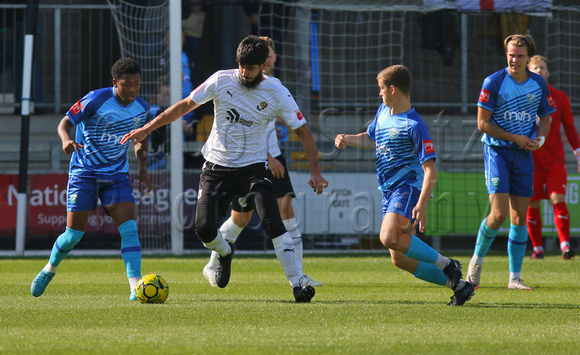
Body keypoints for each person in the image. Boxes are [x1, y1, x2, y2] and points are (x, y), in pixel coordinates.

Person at [121, 35, 329, 303]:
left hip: (254, 169)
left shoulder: (276, 90)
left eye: (250, 68)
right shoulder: (221, 79)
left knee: (273, 222)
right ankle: (225, 251)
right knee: (204, 229)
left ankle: (297, 284)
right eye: (241, 65)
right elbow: (185, 106)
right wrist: (146, 129)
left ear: (262, 66)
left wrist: (315, 172)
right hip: (216, 168)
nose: (244, 72)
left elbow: (303, 132)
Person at [334, 65, 474, 306]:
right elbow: (370, 139)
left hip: (408, 187)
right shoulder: (383, 112)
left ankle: (448, 264)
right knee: (398, 259)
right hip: (388, 191)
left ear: (392, 89)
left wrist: (422, 204)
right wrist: (347, 138)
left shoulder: (414, 125)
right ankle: (459, 286)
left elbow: (430, 170)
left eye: (381, 89)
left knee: (388, 236)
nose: (379, 94)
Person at [201, 36, 322, 288]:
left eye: (268, 56)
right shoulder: (234, 83)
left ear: (272, 58)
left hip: (267, 157)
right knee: (241, 219)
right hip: (252, 161)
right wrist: (269, 158)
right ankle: (215, 261)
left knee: (283, 210)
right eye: (259, 58)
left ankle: (298, 276)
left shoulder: (275, 88)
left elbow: (293, 126)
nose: (264, 62)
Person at [30, 58, 152, 300]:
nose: (132, 90)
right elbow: (65, 122)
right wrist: (66, 140)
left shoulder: (142, 108)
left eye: (137, 84)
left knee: (129, 230)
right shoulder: (96, 99)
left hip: (116, 175)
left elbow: (141, 137)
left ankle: (135, 287)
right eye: (127, 84)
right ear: (115, 83)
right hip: (84, 173)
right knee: (74, 235)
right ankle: (49, 269)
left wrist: (142, 165)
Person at [466, 35, 555, 291]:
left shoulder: (538, 83)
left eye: (519, 56)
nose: (514, 60)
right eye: (511, 55)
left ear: (528, 58)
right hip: (497, 152)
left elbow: (546, 116)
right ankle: (476, 263)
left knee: (519, 217)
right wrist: (515, 137)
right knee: (498, 215)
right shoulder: (493, 82)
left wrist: (540, 137)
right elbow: (482, 124)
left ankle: (514, 278)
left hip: (523, 155)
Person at [526, 55, 579, 260]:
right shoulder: (523, 97)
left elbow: (570, 128)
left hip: (555, 162)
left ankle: (565, 245)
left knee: (558, 200)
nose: (539, 71)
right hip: (531, 161)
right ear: (529, 72)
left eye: (542, 68)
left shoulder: (560, 97)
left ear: (548, 73)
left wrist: (578, 153)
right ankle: (537, 248)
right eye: (535, 68)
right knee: (533, 204)